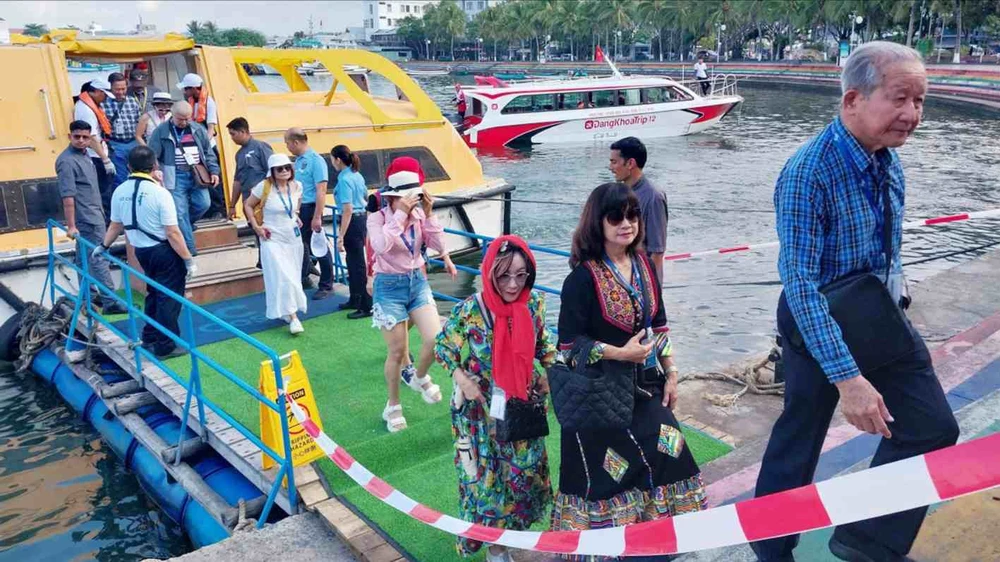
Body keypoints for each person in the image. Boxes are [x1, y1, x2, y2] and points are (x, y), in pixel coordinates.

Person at [751, 42, 959, 562]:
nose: (912, 114)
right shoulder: (807, 173)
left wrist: (900, 310)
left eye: (920, 100)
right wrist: (848, 379)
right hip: (816, 318)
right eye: (899, 99)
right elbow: (799, 283)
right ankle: (771, 550)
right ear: (852, 100)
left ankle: (866, 540)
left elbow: (886, 251)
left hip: (874, 313)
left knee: (932, 425)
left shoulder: (886, 160)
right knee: (799, 440)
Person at [553, 182, 706, 541]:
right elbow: (568, 345)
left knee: (671, 449)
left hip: (645, 384)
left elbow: (660, 324)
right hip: (599, 394)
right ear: (598, 222)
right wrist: (621, 353)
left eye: (633, 215)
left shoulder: (643, 265)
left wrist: (671, 372)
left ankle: (660, 542)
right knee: (610, 474)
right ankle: (609, 546)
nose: (627, 223)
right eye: (616, 216)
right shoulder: (580, 279)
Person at [435, 235, 556, 561]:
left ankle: (509, 533)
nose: (514, 284)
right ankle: (496, 549)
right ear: (490, 273)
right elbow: (442, 349)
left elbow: (545, 348)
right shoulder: (469, 311)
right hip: (479, 414)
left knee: (522, 476)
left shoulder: (534, 304)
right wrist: (463, 380)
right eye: (504, 276)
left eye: (521, 275)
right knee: (487, 482)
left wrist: (549, 374)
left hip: (521, 408)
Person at [368, 157, 453, 432]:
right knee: (396, 351)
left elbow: (439, 245)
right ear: (393, 197)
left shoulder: (419, 214)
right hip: (389, 287)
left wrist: (429, 214)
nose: (413, 202)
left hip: (417, 282)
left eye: (415, 197)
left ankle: (418, 376)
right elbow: (380, 246)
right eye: (409, 198)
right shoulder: (377, 218)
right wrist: (399, 215)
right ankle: (392, 405)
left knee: (436, 337)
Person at [95, 145, 197, 359]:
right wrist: (188, 260)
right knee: (168, 298)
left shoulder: (119, 191)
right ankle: (166, 345)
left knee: (153, 293)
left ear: (129, 166)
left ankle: (149, 335)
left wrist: (103, 246)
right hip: (164, 252)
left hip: (141, 251)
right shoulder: (160, 193)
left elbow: (115, 225)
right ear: (154, 166)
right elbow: (173, 232)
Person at [57, 120, 126, 315]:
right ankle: (110, 301)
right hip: (87, 218)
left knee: (83, 259)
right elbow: (68, 196)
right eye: (77, 136)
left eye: (85, 137)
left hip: (94, 214)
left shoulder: (85, 155)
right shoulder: (67, 161)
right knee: (99, 257)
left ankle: (88, 296)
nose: (81, 140)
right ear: (69, 136)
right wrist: (71, 226)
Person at [243, 154, 307, 335]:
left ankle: (287, 310)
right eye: (280, 168)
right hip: (271, 237)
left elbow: (296, 206)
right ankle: (294, 317)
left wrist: (296, 215)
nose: (285, 171)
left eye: (287, 167)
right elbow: (248, 205)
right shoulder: (264, 187)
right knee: (282, 275)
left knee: (293, 275)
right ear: (272, 171)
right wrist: (256, 226)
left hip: (292, 237)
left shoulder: (297, 186)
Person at [147, 101, 221, 256]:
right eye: (181, 119)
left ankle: (185, 224)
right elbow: (152, 154)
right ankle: (190, 248)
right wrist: (155, 171)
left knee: (204, 204)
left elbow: (208, 152)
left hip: (197, 173)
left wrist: (214, 171)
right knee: (179, 212)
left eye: (188, 118)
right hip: (175, 174)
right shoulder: (161, 131)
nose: (185, 122)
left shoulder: (197, 129)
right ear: (172, 116)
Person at [285, 128, 334, 300]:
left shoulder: (316, 161)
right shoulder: (297, 162)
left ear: (296, 142)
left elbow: (321, 190)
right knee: (301, 245)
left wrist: (318, 216)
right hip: (301, 209)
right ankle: (305, 275)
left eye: (288, 143)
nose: (287, 147)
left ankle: (327, 285)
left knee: (320, 247)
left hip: (312, 207)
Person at [609, 137, 669, 279]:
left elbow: (657, 252)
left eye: (614, 162)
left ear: (630, 163)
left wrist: (653, 293)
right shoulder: (618, 192)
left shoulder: (653, 197)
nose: (610, 167)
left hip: (639, 279)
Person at [331, 144, 372, 319]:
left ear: (337, 160)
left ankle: (365, 304)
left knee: (356, 264)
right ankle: (355, 298)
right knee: (354, 261)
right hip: (361, 219)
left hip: (352, 221)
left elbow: (347, 209)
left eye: (332, 159)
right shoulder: (356, 175)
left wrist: (340, 236)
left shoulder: (344, 180)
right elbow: (365, 197)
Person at [177, 72, 225, 218]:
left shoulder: (209, 102)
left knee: (213, 176)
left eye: (186, 89)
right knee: (198, 176)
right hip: (194, 145)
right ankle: (206, 209)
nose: (185, 92)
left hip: (206, 145)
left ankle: (218, 208)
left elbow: (211, 128)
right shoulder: (190, 103)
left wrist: (204, 146)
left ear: (193, 88)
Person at [74, 79, 116, 219]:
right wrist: (105, 159)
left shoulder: (90, 106)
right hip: (95, 156)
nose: (104, 99)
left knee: (105, 190)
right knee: (103, 191)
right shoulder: (85, 110)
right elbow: (91, 137)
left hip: (100, 152)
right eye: (104, 95)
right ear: (97, 92)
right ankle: (106, 222)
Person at [102, 72, 142, 188]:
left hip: (133, 142)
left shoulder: (132, 101)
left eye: (123, 89)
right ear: (110, 88)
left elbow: (139, 121)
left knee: (138, 174)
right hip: (115, 144)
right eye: (117, 89)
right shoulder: (103, 104)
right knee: (119, 177)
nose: (120, 92)